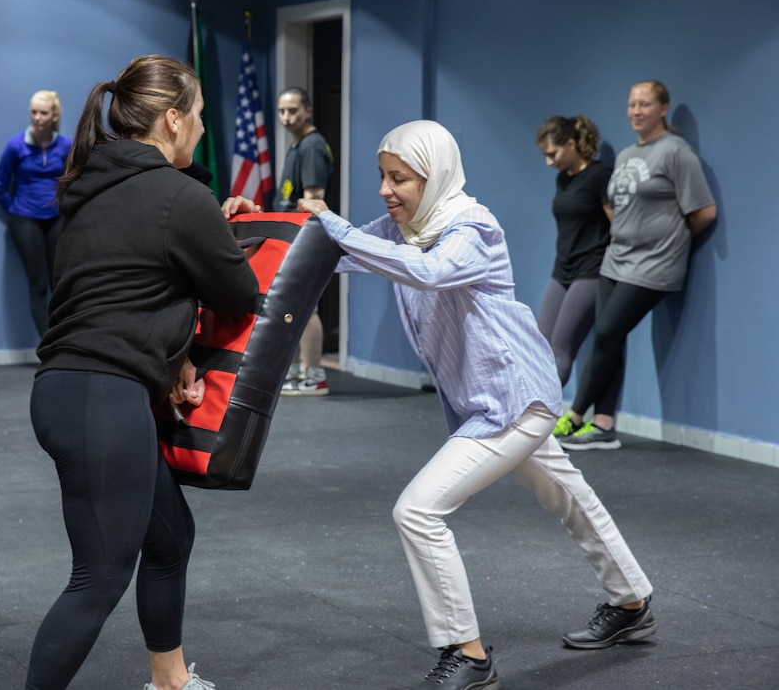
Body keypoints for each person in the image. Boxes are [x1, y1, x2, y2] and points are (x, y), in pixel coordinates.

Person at [298, 120, 655, 689]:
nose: (387, 191)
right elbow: (326, 250)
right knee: (569, 495)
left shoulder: (471, 225)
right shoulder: (404, 228)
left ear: (434, 175)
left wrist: (333, 225)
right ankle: (632, 603)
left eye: (400, 179)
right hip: (488, 400)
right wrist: (254, 223)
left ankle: (468, 654)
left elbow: (431, 272)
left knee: (417, 510)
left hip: (514, 401)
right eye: (382, 178)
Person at [25, 55, 258, 690]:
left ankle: (170, 681)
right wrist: (231, 227)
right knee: (98, 577)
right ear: (174, 119)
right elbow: (240, 294)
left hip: (69, 391)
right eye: (202, 118)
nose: (205, 131)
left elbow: (124, 289)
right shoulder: (182, 196)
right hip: (102, 398)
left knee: (169, 536)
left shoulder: (89, 190)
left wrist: (173, 348)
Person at [557, 81, 717, 450]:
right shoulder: (629, 154)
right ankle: (604, 424)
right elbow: (616, 207)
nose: (636, 111)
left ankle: (577, 414)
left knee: (606, 333)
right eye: (632, 105)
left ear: (663, 108)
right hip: (616, 261)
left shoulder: (677, 153)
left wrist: (670, 240)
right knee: (612, 338)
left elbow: (704, 212)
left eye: (645, 104)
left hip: (653, 265)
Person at [534, 115, 612, 386]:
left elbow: (619, 225)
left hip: (590, 270)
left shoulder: (599, 176)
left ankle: (540, 420)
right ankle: (532, 417)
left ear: (571, 144)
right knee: (539, 346)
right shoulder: (562, 180)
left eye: (552, 154)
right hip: (562, 268)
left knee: (560, 348)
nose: (549, 162)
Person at [0, 90, 73, 338]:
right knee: (37, 285)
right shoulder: (16, 145)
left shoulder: (66, 145)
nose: (37, 117)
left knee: (59, 284)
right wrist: (17, 211)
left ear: (54, 116)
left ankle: (65, 344)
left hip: (56, 218)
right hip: (25, 220)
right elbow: (0, 187)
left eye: (43, 113)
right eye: (33, 112)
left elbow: (75, 182)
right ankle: (48, 347)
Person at [273, 87, 333, 396]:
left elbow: (313, 200)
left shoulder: (311, 146)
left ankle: (315, 375)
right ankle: (299, 369)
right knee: (295, 307)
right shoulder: (297, 146)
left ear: (307, 110)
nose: (286, 117)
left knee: (307, 308)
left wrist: (299, 242)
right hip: (290, 236)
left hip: (304, 237)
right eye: (282, 111)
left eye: (293, 110)